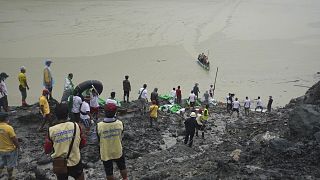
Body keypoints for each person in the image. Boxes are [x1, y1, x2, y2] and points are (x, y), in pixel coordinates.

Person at [44, 103, 86, 180]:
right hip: (75, 160)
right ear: (67, 114)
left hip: (59, 163)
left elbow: (47, 150)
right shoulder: (76, 126)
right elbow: (83, 143)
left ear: (56, 115)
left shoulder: (51, 130)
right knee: (80, 176)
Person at [96, 103, 128, 180]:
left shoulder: (99, 126)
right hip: (118, 149)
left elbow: (98, 139)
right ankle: (125, 178)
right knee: (122, 167)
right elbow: (121, 136)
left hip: (106, 151)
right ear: (115, 112)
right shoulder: (120, 123)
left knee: (109, 171)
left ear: (104, 112)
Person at [0, 112, 20, 180]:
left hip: (1, 150)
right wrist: (18, 147)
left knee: (1, 163)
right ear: (6, 119)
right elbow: (14, 139)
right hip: (10, 150)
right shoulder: (9, 128)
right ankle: (10, 176)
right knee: (10, 164)